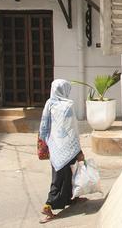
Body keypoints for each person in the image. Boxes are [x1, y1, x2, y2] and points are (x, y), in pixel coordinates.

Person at [38, 79, 86, 223]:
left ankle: (70, 198)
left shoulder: (49, 103)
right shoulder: (68, 105)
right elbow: (73, 129)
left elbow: (44, 124)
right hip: (68, 146)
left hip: (54, 146)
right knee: (63, 176)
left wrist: (45, 140)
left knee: (62, 174)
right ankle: (48, 205)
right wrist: (78, 148)